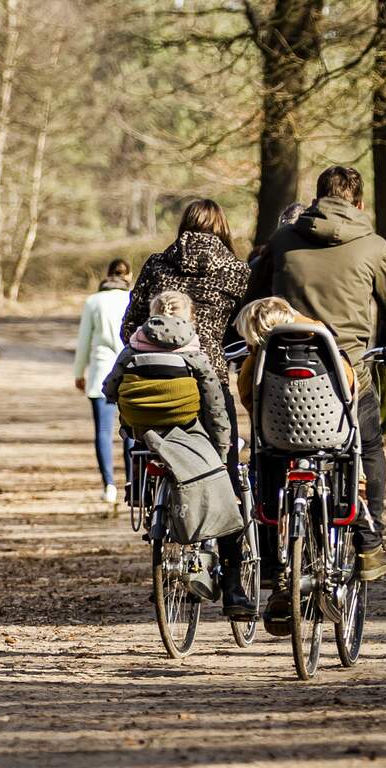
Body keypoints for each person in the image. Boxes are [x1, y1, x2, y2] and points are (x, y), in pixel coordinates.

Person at [246, 166, 386, 587]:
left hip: (282, 381)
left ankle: (271, 560)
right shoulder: (373, 246)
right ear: (359, 203)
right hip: (347, 381)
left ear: (316, 198)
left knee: (269, 454)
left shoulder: (282, 241)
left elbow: (252, 299)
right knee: (370, 446)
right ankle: (369, 544)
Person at [121, 199, 254, 617]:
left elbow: (129, 325)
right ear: (222, 228)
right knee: (224, 472)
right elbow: (247, 325)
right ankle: (234, 588)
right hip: (205, 381)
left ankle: (161, 544)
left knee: (155, 450)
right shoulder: (235, 271)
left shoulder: (158, 264)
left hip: (156, 384)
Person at [103, 291, 230, 461]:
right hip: (183, 423)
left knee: (139, 443)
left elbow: (110, 388)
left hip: (140, 422)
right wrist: (221, 449)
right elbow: (214, 401)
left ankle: (136, 481)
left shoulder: (133, 347)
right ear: (189, 317)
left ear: (153, 315)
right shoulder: (194, 353)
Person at [73, 259, 134, 503]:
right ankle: (132, 481)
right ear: (128, 276)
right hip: (130, 373)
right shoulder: (132, 299)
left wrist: (79, 372)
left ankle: (109, 485)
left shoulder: (93, 301)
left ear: (107, 275)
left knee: (103, 431)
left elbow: (84, 340)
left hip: (100, 373)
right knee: (131, 430)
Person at [234, 296, 355, 416]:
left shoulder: (253, 364)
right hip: (331, 427)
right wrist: (307, 323)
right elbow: (349, 385)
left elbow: (249, 401)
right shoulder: (324, 353)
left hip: (275, 431)